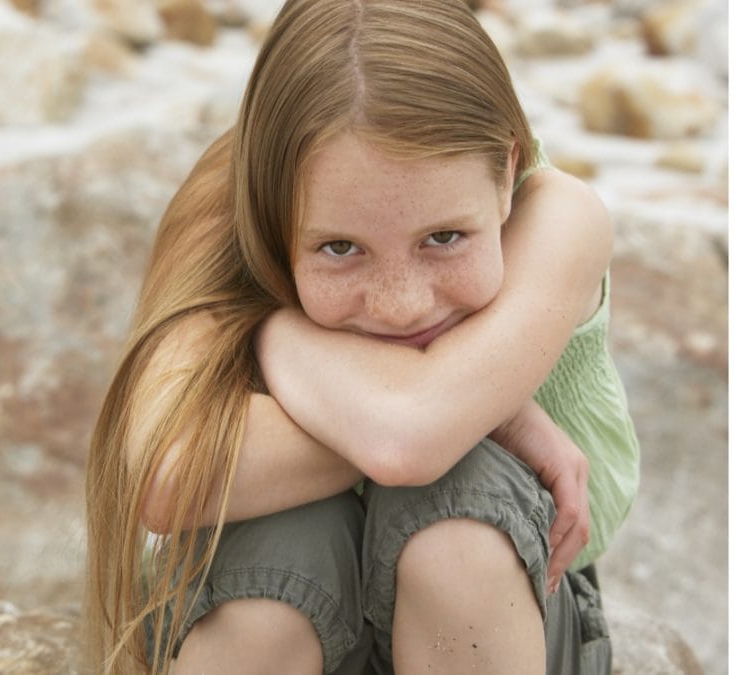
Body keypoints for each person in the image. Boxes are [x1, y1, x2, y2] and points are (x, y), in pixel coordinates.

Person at [85, 1, 639, 673]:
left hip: (492, 621)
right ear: (272, 207)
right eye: (341, 248)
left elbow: (409, 438)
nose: (403, 305)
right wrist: (492, 412)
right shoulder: (225, 214)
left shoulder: (558, 216)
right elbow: (167, 475)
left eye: (444, 238)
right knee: (286, 546)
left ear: (504, 171)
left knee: (455, 510)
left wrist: (273, 331)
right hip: (274, 623)